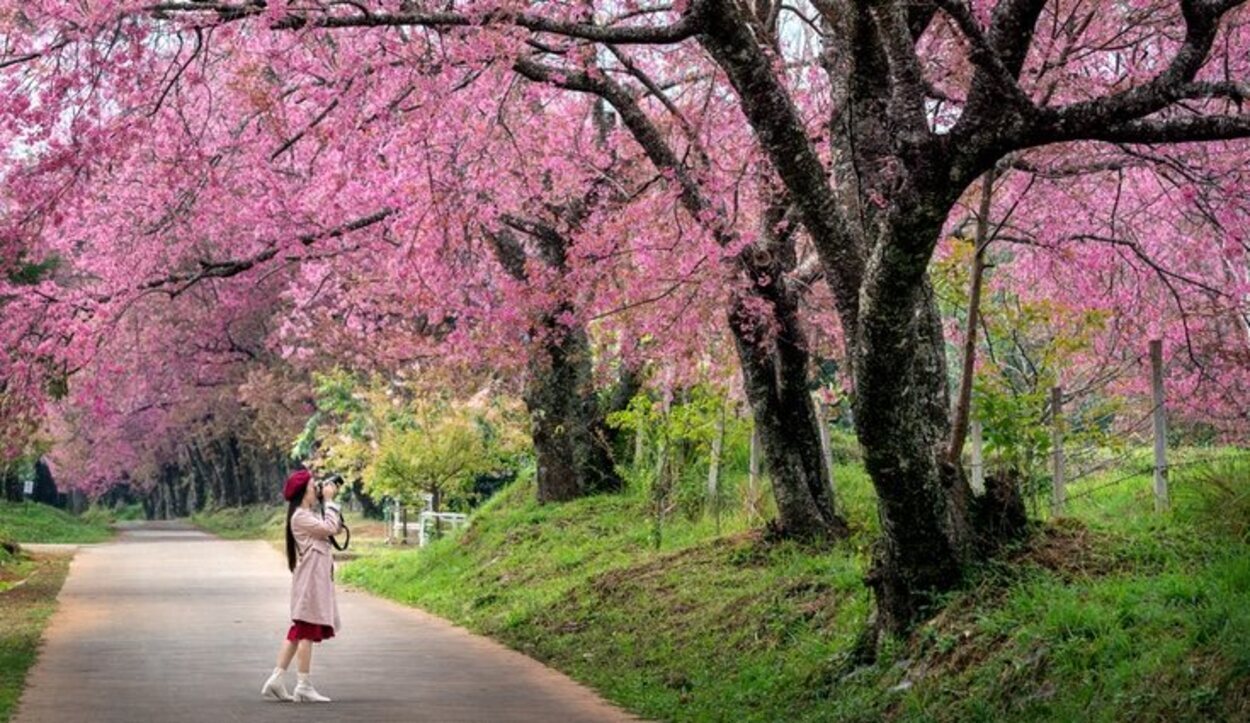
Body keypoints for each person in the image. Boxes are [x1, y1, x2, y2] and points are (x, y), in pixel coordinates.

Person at [261, 468, 343, 703]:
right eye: (313, 486)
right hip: (309, 582)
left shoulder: (308, 514)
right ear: (303, 492)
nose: (316, 489)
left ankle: (276, 679)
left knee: (298, 630)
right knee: (306, 630)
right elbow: (329, 528)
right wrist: (329, 501)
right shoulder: (301, 516)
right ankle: (303, 685)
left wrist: (328, 504)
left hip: (312, 579)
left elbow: (334, 527)